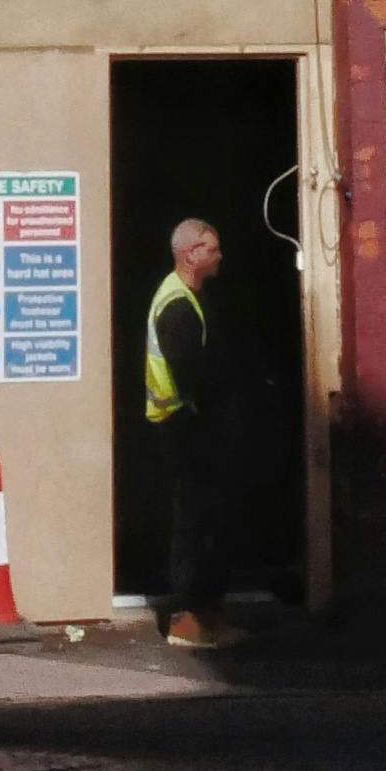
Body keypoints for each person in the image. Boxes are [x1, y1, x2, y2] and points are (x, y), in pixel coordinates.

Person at [144, 213, 246, 651]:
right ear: (190, 254)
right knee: (194, 523)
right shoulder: (178, 306)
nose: (219, 255)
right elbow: (192, 378)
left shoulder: (191, 296)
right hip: (184, 428)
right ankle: (186, 619)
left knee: (211, 522)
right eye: (212, 248)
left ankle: (208, 615)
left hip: (194, 426)